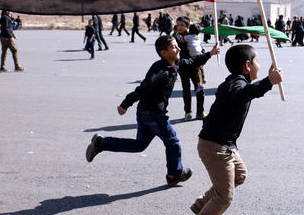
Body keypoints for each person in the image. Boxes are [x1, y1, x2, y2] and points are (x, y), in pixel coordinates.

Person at [85, 36, 221, 185]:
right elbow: (144, 88)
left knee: (140, 145)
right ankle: (174, 174)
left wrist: (210, 53)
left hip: (145, 113)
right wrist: (126, 103)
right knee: (173, 142)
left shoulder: (175, 63)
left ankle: (103, 143)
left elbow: (192, 62)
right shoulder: (161, 71)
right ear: (164, 53)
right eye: (175, 47)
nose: (179, 49)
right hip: (154, 114)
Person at [184, 44, 283, 215]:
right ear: (247, 65)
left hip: (224, 143)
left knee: (240, 174)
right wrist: (268, 82)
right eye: (257, 61)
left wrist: (268, 80)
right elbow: (242, 94)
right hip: (215, 147)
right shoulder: (235, 85)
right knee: (224, 196)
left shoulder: (238, 82)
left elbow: (246, 93)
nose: (259, 65)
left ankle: (202, 205)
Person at [174, 17, 207, 120]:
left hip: (195, 67)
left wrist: (203, 53)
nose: (179, 27)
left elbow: (200, 48)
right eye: (178, 25)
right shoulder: (175, 38)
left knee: (200, 90)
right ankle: (188, 112)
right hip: (183, 68)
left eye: (182, 25)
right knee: (186, 91)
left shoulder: (193, 35)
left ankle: (200, 112)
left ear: (187, 26)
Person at [185, 23, 206, 93]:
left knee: (196, 72)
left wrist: (178, 35)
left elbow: (181, 39)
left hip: (193, 56)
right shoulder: (198, 36)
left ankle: (199, 85)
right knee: (201, 66)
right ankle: (203, 77)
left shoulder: (188, 37)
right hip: (200, 53)